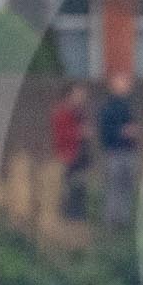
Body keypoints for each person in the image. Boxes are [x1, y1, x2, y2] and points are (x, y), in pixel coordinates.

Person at [96, 73, 138, 228]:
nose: (127, 85)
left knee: (127, 187)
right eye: (122, 82)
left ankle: (124, 221)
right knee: (114, 187)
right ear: (113, 86)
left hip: (128, 151)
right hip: (114, 152)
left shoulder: (127, 105)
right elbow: (105, 132)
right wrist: (123, 132)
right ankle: (111, 222)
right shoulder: (108, 108)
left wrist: (132, 132)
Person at [51, 83, 91, 221]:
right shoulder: (61, 113)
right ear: (69, 96)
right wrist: (79, 133)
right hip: (68, 155)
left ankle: (78, 216)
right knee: (69, 188)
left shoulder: (80, 113)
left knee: (80, 187)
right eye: (78, 95)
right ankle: (68, 217)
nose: (81, 98)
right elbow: (61, 135)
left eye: (82, 95)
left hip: (81, 156)